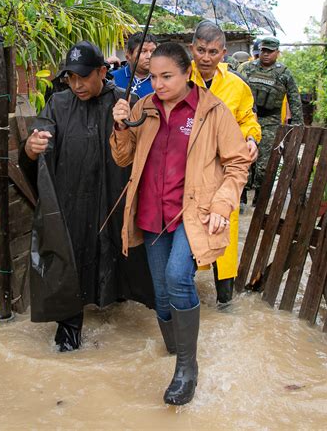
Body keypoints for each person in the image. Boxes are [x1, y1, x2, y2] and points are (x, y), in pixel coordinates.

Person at [110, 42, 251, 405]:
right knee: (160, 292)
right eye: (153, 76)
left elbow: (237, 164)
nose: (157, 83)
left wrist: (222, 203)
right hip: (151, 213)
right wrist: (121, 125)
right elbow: (123, 158)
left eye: (166, 76)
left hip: (193, 212)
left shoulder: (213, 111)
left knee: (177, 277)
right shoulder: (143, 108)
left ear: (187, 72)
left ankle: (187, 368)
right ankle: (175, 348)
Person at [19, 41, 154, 352]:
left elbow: (144, 152)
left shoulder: (124, 101)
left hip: (112, 200)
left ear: (103, 72)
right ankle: (68, 333)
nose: (76, 84)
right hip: (73, 201)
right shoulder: (58, 104)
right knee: (72, 259)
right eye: (71, 78)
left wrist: (129, 118)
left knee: (118, 257)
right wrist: (31, 146)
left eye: (83, 77)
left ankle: (118, 302)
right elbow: (37, 144)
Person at [190, 20, 261, 305]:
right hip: (189, 170)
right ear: (191, 48)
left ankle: (224, 302)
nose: (206, 58)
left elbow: (248, 119)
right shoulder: (180, 80)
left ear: (224, 53)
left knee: (225, 229)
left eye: (213, 52)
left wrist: (252, 139)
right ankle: (185, 297)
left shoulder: (237, 86)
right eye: (201, 50)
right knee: (189, 228)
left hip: (224, 169)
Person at [241, 36, 303, 204]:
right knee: (244, 157)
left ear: (277, 52)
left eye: (270, 51)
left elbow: (294, 98)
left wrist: (298, 125)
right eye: (263, 51)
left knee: (264, 162)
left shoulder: (283, 73)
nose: (266, 54)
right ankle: (242, 195)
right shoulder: (247, 69)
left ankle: (260, 196)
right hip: (248, 119)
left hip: (270, 121)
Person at [112, 32, 158, 98]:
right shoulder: (113, 78)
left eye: (153, 51)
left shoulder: (161, 82)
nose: (149, 56)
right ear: (128, 55)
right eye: (143, 51)